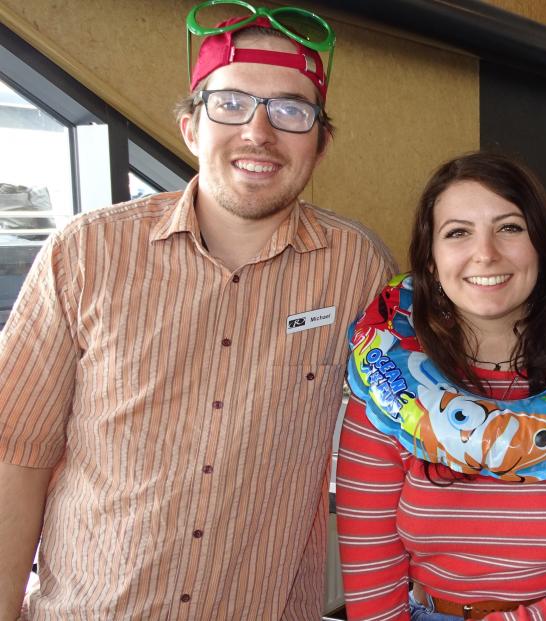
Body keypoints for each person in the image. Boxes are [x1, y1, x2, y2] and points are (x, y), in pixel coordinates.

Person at [0, 4, 395, 619]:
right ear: (191, 127)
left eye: (291, 110)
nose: (259, 133)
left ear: (321, 143)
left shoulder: (358, 269)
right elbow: (15, 455)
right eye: (231, 103)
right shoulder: (85, 253)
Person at [337, 152, 546, 620]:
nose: (485, 253)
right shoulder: (387, 391)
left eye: (510, 227)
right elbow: (372, 577)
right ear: (429, 261)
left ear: (543, 250)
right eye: (457, 232)